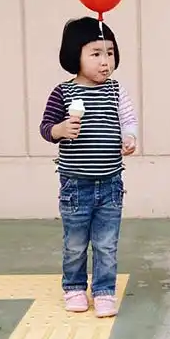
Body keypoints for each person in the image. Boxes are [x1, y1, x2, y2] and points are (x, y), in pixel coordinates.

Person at [39, 17, 138, 317]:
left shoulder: (115, 91)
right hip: (75, 184)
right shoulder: (63, 93)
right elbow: (46, 127)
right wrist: (60, 130)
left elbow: (128, 119)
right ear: (76, 55)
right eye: (95, 53)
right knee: (75, 242)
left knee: (107, 243)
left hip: (111, 182)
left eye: (110, 52)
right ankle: (74, 288)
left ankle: (105, 291)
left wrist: (130, 137)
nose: (105, 61)